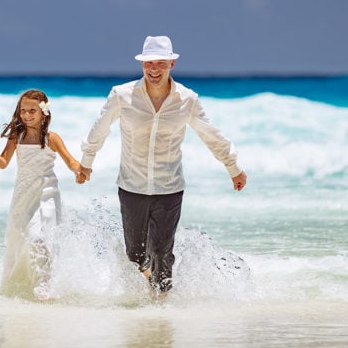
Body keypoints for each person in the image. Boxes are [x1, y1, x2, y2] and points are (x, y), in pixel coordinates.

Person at [77, 35, 247, 296]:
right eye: (148, 64)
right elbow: (98, 130)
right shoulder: (122, 95)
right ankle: (149, 291)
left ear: (172, 64)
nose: (154, 70)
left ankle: (162, 309)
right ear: (142, 65)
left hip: (169, 187)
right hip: (132, 185)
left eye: (160, 63)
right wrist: (87, 163)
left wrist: (232, 167)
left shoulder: (187, 100)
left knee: (162, 252)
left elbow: (210, 134)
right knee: (135, 254)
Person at [0, 89, 83, 300]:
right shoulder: (17, 136)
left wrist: (78, 170)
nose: (27, 115)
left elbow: (70, 160)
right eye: (23, 111)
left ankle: (45, 284)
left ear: (44, 113)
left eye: (32, 110)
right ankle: (25, 284)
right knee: (20, 239)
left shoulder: (51, 138)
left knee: (40, 236)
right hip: (23, 194)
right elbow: (3, 163)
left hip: (46, 192)